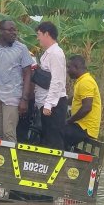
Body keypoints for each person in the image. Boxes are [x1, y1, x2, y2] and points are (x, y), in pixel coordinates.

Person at [0, 20, 34, 142]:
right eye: (10, 30)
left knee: (8, 133)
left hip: (12, 96)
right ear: (0, 32)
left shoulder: (21, 49)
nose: (14, 33)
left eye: (15, 30)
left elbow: (28, 73)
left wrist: (24, 99)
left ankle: (10, 160)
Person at [34, 21, 67, 149]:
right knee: (46, 139)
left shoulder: (56, 53)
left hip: (54, 105)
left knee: (54, 141)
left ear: (47, 34)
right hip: (46, 103)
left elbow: (57, 80)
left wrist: (49, 104)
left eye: (39, 34)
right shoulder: (48, 53)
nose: (38, 38)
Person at [64, 55, 102, 149]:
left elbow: (86, 108)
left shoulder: (86, 82)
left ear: (76, 67)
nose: (67, 70)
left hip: (85, 128)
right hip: (80, 125)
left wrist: (69, 121)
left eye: (69, 67)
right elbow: (74, 99)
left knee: (57, 133)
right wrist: (61, 102)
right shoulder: (82, 81)